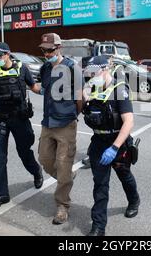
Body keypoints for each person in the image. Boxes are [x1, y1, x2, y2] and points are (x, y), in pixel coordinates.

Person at [0, 42, 43, 211]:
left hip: (20, 119)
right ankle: (1, 194)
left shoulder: (22, 68)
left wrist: (48, 89)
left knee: (24, 153)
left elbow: (34, 87)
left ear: (8, 54)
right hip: (2, 119)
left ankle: (36, 172)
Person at [82, 56, 140, 236]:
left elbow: (128, 122)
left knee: (125, 176)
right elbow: (88, 110)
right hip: (99, 143)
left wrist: (114, 148)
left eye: (93, 72)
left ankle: (134, 201)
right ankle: (98, 226)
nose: (91, 76)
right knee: (100, 185)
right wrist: (84, 97)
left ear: (105, 69)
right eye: (89, 73)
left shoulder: (119, 90)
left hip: (119, 143)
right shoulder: (92, 88)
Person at [37, 33, 83, 225]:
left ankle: (62, 205)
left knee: (63, 164)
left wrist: (73, 115)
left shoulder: (73, 68)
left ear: (59, 48)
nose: (46, 54)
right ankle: (66, 177)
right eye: (43, 50)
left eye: (49, 50)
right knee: (45, 160)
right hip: (48, 123)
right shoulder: (45, 68)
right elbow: (44, 90)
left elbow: (80, 98)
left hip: (65, 124)